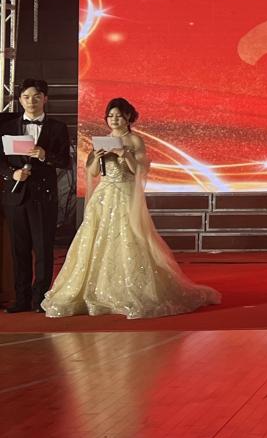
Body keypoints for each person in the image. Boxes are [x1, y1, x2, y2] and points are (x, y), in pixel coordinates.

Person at [41, 98, 220, 319]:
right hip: (103, 196)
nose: (114, 119)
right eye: (110, 116)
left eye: (118, 115)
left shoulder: (135, 140)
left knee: (129, 237)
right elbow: (93, 172)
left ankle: (132, 290)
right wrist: (97, 158)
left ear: (128, 118)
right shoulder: (102, 141)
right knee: (95, 238)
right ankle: (94, 292)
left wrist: (124, 155)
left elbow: (140, 171)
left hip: (125, 194)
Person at [3, 78, 71, 313]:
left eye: (36, 97)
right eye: (26, 97)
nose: (31, 101)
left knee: (43, 249)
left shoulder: (58, 127)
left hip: (44, 196)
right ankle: (21, 299)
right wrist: (11, 174)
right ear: (20, 100)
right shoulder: (7, 127)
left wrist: (44, 155)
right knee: (19, 250)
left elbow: (65, 161)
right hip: (16, 195)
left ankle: (40, 298)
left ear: (45, 99)